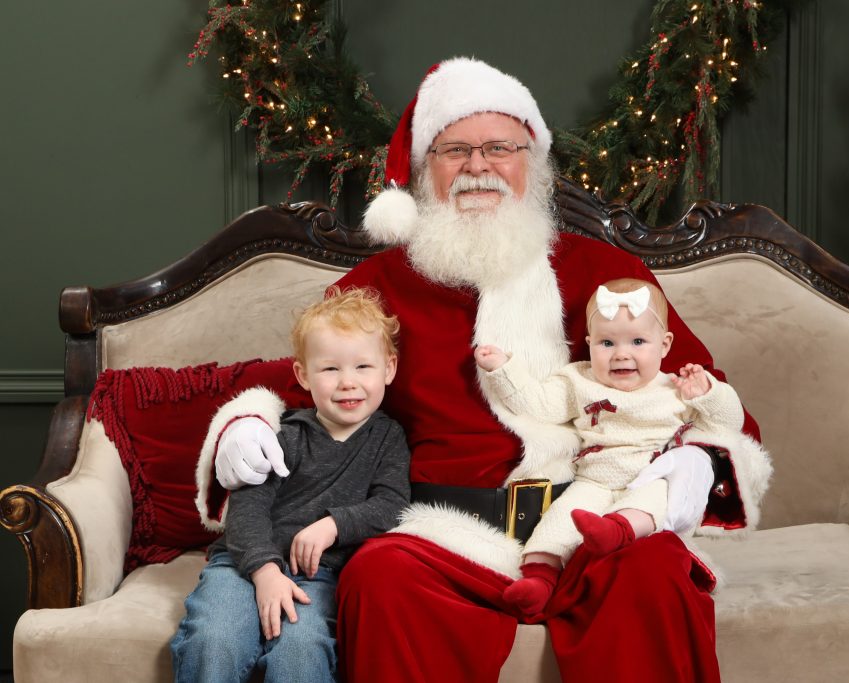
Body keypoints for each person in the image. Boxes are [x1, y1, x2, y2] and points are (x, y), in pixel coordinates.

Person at [195, 57, 772, 682]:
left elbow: (708, 402)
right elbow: (296, 383)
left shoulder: (603, 273)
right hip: (444, 534)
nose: (478, 167)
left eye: (500, 147)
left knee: (656, 571)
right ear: (424, 172)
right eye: (454, 151)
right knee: (380, 575)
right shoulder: (377, 285)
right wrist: (245, 427)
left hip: (589, 525)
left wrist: (688, 463)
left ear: (533, 161)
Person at [172, 288, 410, 682]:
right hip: (243, 565)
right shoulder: (283, 435)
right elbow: (246, 510)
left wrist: (333, 525)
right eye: (330, 369)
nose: (348, 382)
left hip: (319, 575)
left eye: (363, 367)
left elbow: (392, 504)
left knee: (300, 650)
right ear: (303, 375)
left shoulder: (389, 439)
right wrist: (264, 571)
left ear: (389, 368)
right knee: (215, 639)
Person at [474, 277, 747, 615]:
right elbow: (539, 404)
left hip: (652, 474)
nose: (621, 354)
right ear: (589, 344)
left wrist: (708, 391)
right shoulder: (580, 380)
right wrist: (503, 369)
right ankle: (538, 579)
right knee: (561, 519)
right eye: (606, 343)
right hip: (595, 480)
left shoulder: (675, 390)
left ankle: (618, 531)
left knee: (655, 499)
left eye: (637, 341)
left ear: (664, 345)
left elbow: (728, 424)